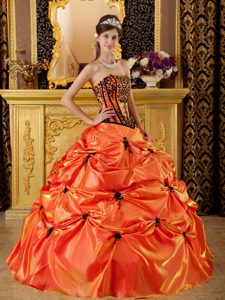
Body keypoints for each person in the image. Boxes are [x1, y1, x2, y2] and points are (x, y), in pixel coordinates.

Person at [6, 14, 214, 298]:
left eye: (114, 37)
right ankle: (97, 265)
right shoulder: (91, 68)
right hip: (104, 136)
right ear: (98, 39)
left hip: (130, 134)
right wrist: (91, 120)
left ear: (117, 39)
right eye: (105, 37)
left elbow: (129, 101)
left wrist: (142, 128)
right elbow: (66, 99)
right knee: (100, 198)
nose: (110, 41)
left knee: (139, 198)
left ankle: (132, 265)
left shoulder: (124, 66)